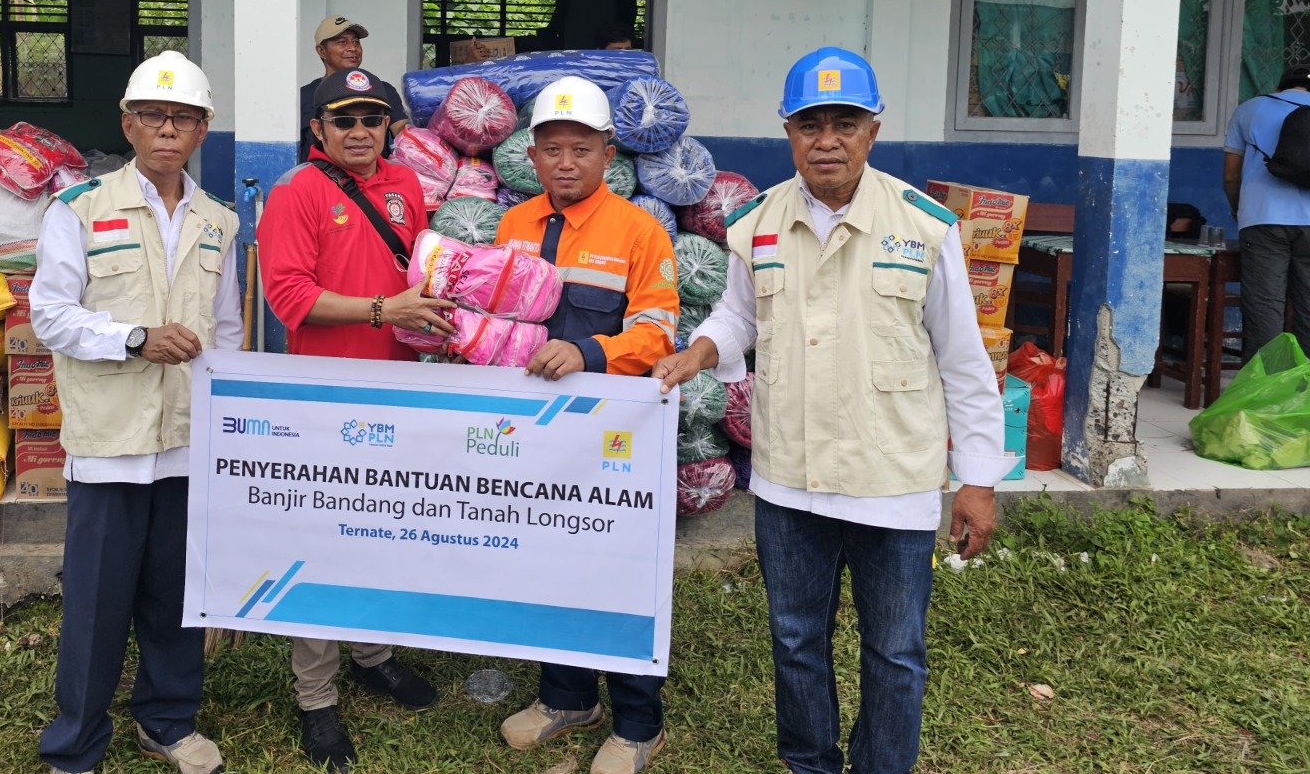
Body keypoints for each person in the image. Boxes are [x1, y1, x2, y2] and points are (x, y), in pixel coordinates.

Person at [654, 45, 1010, 774]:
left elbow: (966, 362)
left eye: (844, 123)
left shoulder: (924, 227)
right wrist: (701, 349)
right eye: (809, 124)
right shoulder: (754, 222)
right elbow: (739, 315)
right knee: (794, 639)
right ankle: (809, 764)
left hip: (894, 478)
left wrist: (976, 479)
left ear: (872, 131)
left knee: (896, 651)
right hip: (791, 477)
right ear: (788, 132)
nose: (827, 140)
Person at [33, 51, 240, 774]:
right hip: (111, 441)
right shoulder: (79, 208)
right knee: (96, 604)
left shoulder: (219, 221)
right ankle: (75, 744)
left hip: (186, 441)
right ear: (128, 123)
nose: (165, 130)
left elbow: (228, 332)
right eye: (152, 116)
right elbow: (50, 317)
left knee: (176, 600)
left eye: (182, 118)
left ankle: (168, 721)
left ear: (203, 129)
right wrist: (132, 338)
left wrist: (223, 428)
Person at [259, 65, 451, 771]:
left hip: (399, 390)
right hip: (326, 396)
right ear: (319, 129)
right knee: (322, 537)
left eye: (373, 120)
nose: (361, 132)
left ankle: (373, 654)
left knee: (381, 530)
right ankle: (317, 697)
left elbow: (419, 274)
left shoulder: (404, 187)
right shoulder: (296, 192)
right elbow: (288, 296)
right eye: (345, 121)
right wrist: (383, 311)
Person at [493, 75, 679, 774]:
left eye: (580, 148)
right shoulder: (514, 225)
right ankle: (568, 697)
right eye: (551, 149)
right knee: (547, 566)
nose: (565, 162)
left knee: (620, 573)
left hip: (614, 440)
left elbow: (660, 333)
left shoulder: (640, 231)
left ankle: (638, 720)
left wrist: (590, 351)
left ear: (608, 154)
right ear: (532, 157)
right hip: (537, 435)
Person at [1222, 64, 1310, 360]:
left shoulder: (1250, 109)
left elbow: (1231, 176)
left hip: (1263, 219)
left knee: (1264, 308)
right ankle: (1304, 392)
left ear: (1279, 86)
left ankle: (1264, 393)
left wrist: (1238, 210)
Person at [299, 14, 407, 162]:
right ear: (321, 51)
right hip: (320, 181)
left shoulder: (382, 90)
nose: (352, 48)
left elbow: (402, 131)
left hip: (373, 181)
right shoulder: (302, 96)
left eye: (356, 42)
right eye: (342, 42)